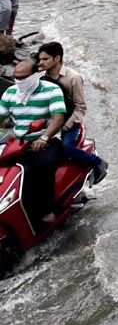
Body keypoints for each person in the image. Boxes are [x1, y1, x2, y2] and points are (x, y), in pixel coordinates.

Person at [0, 63, 66, 224]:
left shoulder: (52, 90)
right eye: (16, 77)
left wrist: (43, 138)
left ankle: (46, 210)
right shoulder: (10, 93)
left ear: (34, 75)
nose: (19, 81)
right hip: (18, 144)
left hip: (46, 142)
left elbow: (58, 118)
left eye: (23, 77)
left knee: (41, 166)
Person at [32, 42, 106, 182]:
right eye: (40, 59)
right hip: (48, 120)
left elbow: (80, 107)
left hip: (69, 121)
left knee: (67, 148)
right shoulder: (40, 77)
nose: (41, 62)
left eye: (45, 59)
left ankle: (97, 162)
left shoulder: (73, 78)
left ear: (57, 58)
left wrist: (66, 126)